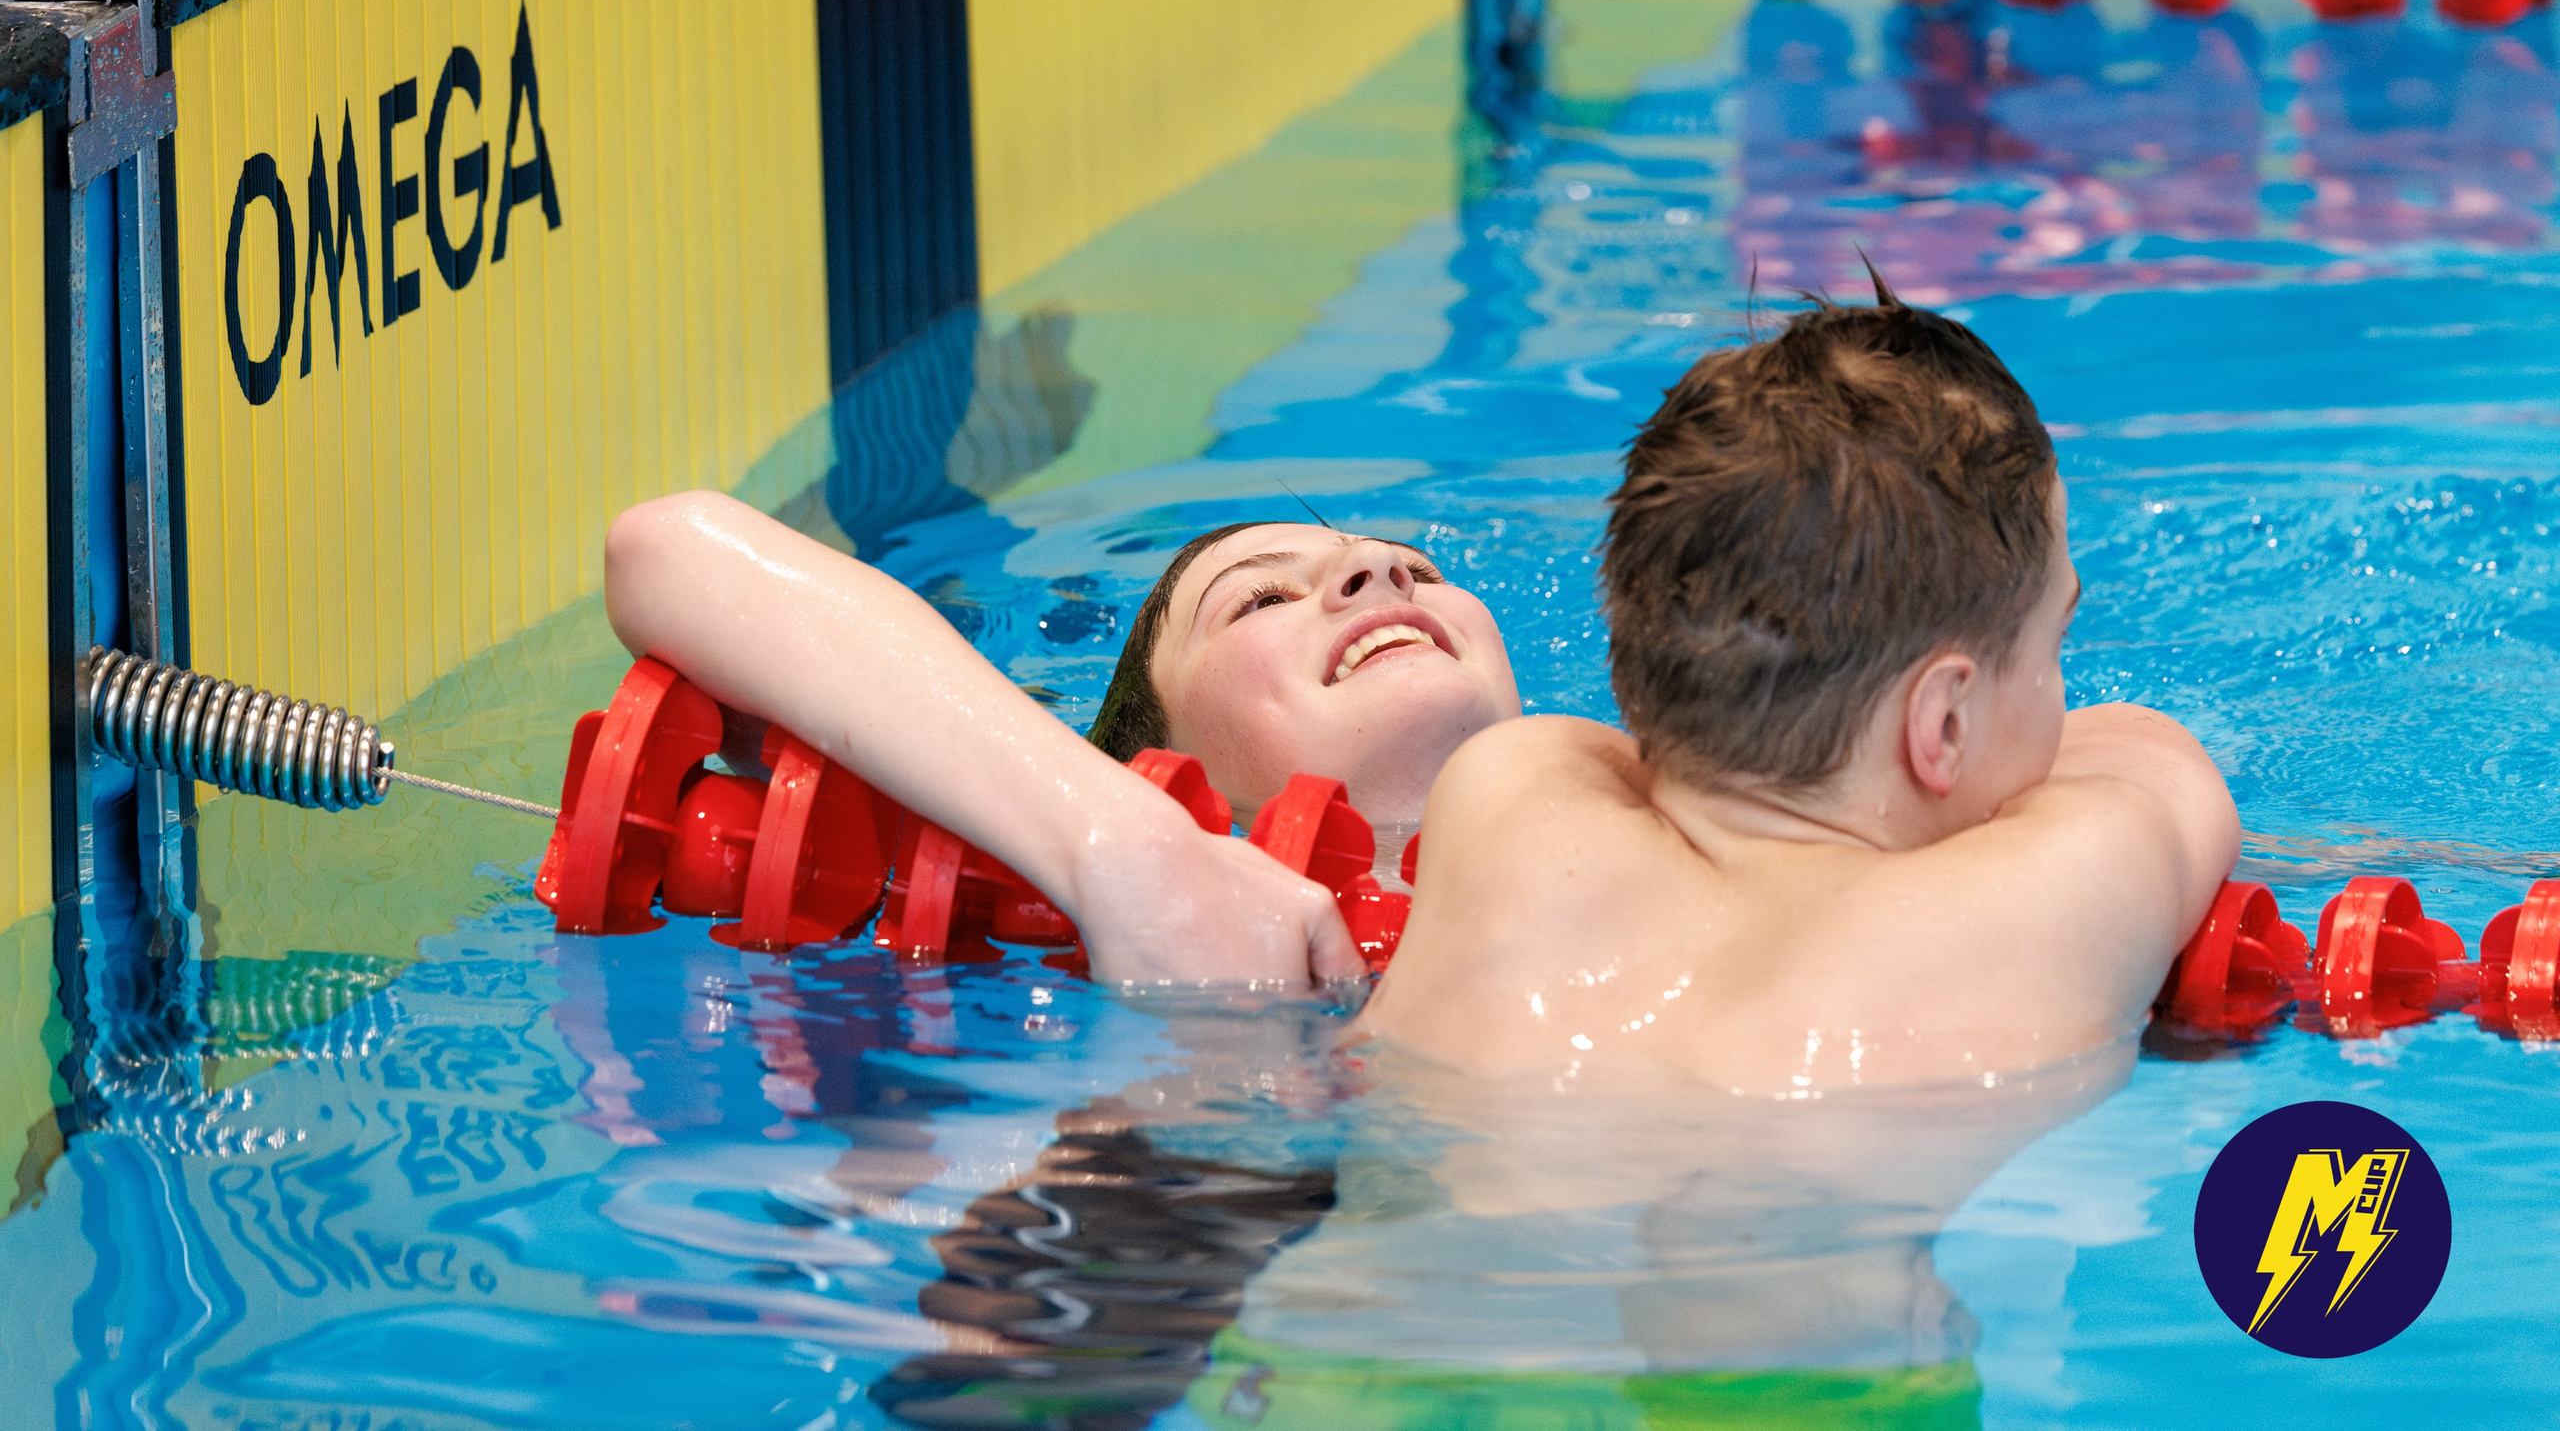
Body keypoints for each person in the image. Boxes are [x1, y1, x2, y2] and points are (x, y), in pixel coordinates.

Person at [1360, 286, 2240, 1089]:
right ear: (1940, 724)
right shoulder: (2035, 899)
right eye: (2058, 642)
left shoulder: (1512, 787)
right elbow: (2150, 757)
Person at [603, 502, 1522, 989]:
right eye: (1263, 599)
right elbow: (663, 551)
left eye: (1422, 571)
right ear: (1159, 771)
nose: (1386, 570)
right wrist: (1121, 845)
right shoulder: (1080, 921)